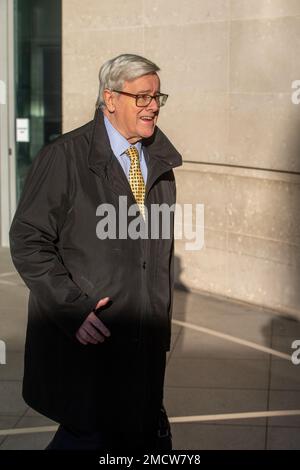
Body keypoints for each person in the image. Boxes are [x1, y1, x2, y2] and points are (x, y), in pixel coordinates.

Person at [9, 54, 182, 451]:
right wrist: (71, 308)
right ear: (110, 98)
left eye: (157, 96)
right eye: (142, 97)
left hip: (144, 345)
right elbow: (28, 240)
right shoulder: (63, 157)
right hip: (92, 338)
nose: (153, 106)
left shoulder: (160, 165)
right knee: (88, 434)